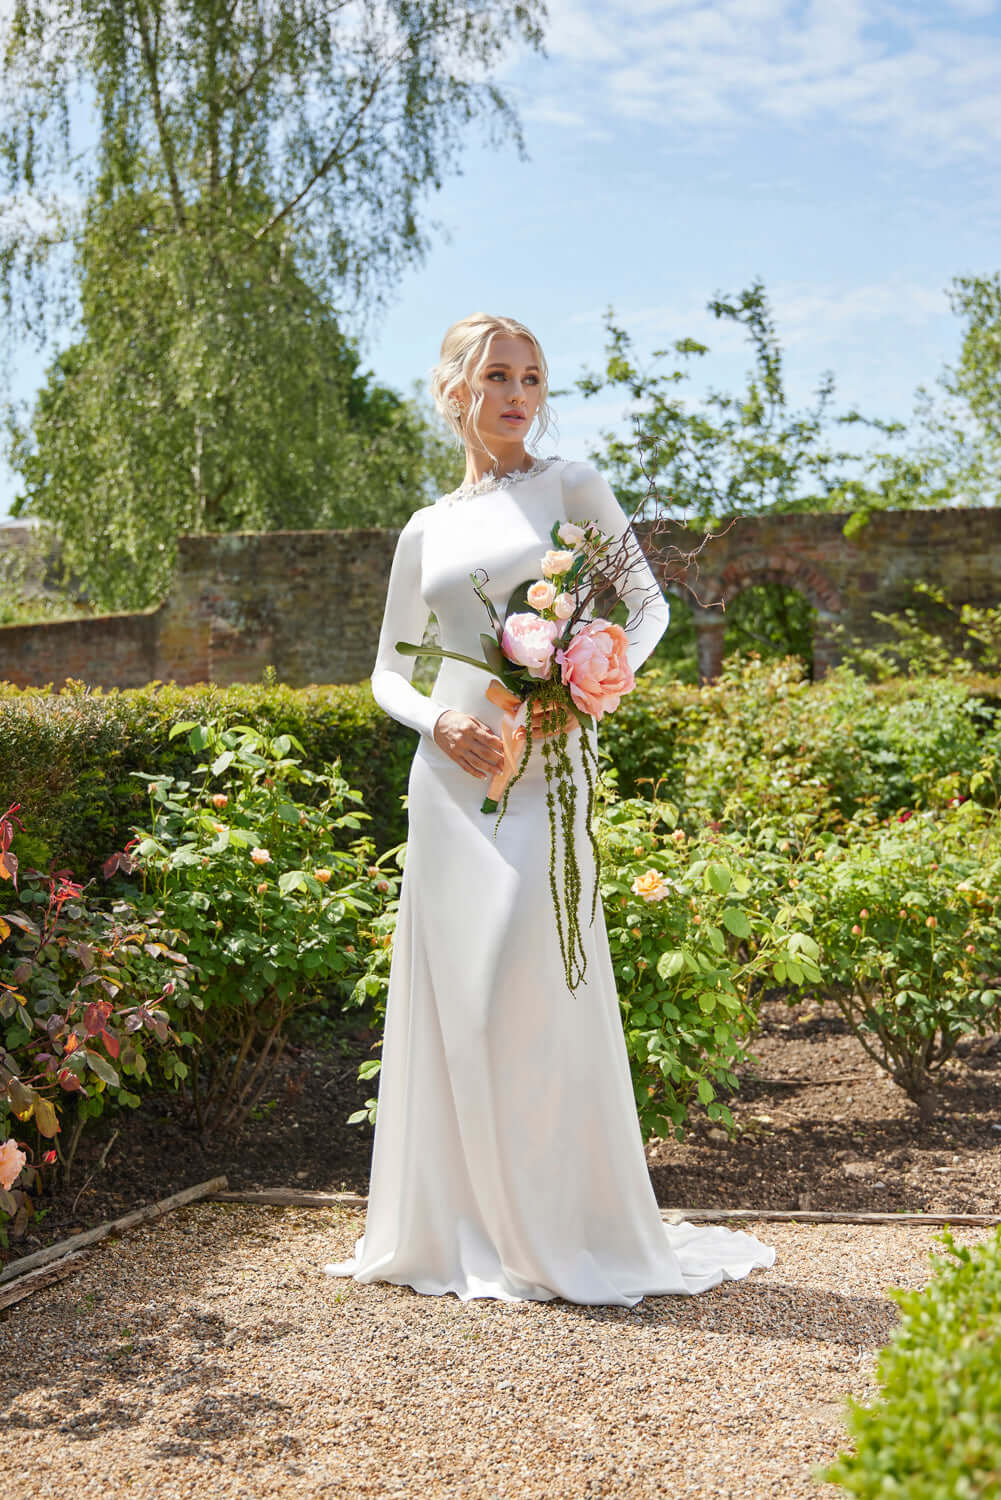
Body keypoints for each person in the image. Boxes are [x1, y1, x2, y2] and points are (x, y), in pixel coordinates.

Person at [323, 312, 775, 1304]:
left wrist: (582, 688)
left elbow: (644, 610)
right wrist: (437, 730)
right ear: (455, 394)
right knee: (462, 1005)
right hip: (449, 787)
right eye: (496, 376)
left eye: (530, 376)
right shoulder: (424, 530)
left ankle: (556, 1229)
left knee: (529, 993)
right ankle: (464, 1229)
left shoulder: (568, 488)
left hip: (544, 774)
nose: (517, 393)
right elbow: (391, 668)